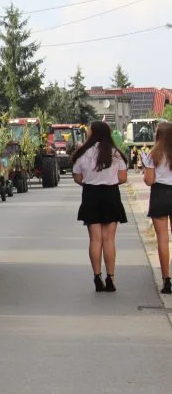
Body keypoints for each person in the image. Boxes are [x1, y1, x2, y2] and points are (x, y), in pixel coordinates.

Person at [71, 120, 128, 292]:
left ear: (92, 133)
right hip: (111, 195)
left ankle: (97, 276)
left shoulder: (83, 153)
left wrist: (91, 181)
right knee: (109, 239)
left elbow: (77, 177)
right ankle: (110, 277)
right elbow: (123, 178)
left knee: (95, 239)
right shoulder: (115, 153)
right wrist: (108, 180)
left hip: (91, 195)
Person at [143, 122, 172, 294]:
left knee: (162, 238)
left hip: (160, 194)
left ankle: (166, 279)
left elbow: (149, 181)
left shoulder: (153, 154)